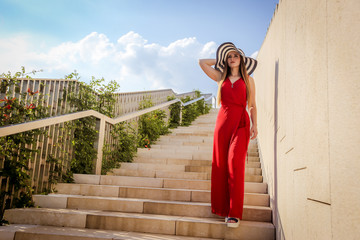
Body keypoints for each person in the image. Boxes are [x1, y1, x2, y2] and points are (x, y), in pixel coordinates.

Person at [199, 42, 258, 228]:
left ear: (242, 60)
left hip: (241, 123)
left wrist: (255, 124)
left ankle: (234, 213)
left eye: (236, 56)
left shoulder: (248, 79)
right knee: (221, 166)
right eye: (230, 56)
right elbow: (202, 62)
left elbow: (252, 105)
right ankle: (222, 208)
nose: (232, 59)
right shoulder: (220, 77)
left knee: (235, 163)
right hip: (222, 125)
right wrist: (222, 60)